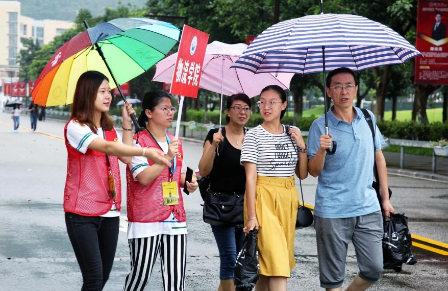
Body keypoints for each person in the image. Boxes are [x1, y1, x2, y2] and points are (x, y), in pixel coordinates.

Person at [64, 71, 169, 291]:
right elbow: (108, 147)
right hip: (82, 213)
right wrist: (145, 150)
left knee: (102, 277)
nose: (108, 96)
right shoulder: (75, 127)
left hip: (110, 212)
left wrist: (126, 122)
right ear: (87, 94)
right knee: (93, 278)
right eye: (101, 92)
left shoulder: (109, 128)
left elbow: (126, 157)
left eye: (109, 91)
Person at [307, 67, 395, 291]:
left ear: (356, 89)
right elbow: (313, 171)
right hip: (332, 210)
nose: (343, 91)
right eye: (337, 86)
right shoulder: (319, 126)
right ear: (328, 91)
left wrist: (385, 199)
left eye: (348, 85)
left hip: (367, 207)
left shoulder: (368, 117)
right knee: (333, 278)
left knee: (374, 269)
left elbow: (379, 159)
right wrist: (321, 151)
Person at [123, 90, 198, 291]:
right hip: (146, 217)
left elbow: (176, 173)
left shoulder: (175, 141)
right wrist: (167, 156)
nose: (170, 112)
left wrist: (188, 182)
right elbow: (144, 177)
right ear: (149, 112)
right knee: (140, 276)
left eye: (171, 108)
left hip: (175, 214)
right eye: (164, 108)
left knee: (176, 281)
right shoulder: (137, 142)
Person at [241, 85, 308, 291]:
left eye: (272, 102)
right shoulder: (253, 135)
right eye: (262, 102)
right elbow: (250, 178)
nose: (266, 107)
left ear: (284, 106)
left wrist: (302, 146)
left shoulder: (292, 134)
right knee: (278, 264)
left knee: (266, 267)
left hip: (288, 198)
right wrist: (252, 217)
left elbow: (303, 174)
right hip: (263, 198)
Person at [198, 93, 251, 291]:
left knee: (237, 261)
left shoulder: (252, 137)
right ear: (227, 112)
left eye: (246, 108)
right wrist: (214, 145)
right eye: (237, 107)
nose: (242, 112)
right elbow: (203, 170)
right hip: (221, 206)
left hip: (245, 207)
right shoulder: (215, 134)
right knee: (229, 261)